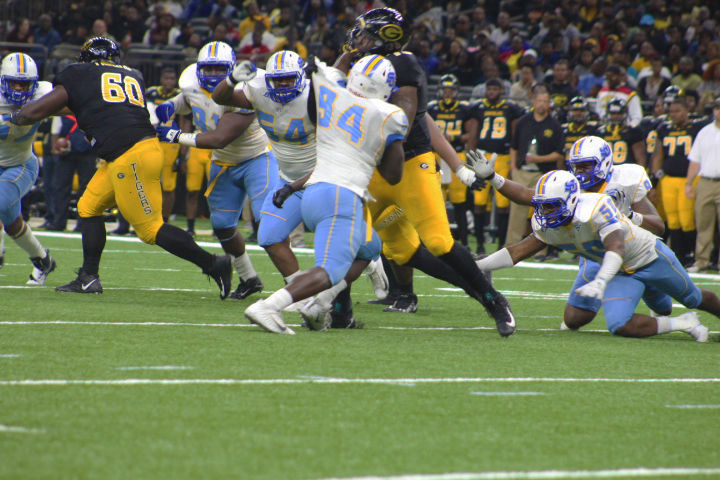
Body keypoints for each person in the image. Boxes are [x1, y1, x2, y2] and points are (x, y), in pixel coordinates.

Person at [336, 8, 515, 335]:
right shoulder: (359, 65)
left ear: (386, 39)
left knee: (437, 241)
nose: (357, 39)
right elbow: (426, 119)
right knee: (367, 242)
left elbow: (407, 118)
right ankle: (340, 311)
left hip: (408, 164)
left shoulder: (403, 64)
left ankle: (492, 299)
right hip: (369, 167)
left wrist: (456, 166)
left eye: (365, 34)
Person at [11, 37, 231, 297]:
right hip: (128, 152)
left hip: (130, 155)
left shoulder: (79, 73)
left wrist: (16, 116)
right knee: (88, 207)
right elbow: (93, 104)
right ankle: (88, 278)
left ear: (85, 59)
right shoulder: (133, 75)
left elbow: (35, 112)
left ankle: (214, 265)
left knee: (150, 229)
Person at [243, 56, 406, 334]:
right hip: (342, 194)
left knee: (367, 249)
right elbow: (393, 174)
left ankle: (319, 305)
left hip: (313, 191)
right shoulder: (388, 115)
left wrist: (292, 187)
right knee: (330, 270)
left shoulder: (331, 96)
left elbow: (327, 83)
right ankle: (271, 306)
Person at [475, 168, 715, 342]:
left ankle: (676, 307)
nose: (545, 212)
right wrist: (477, 266)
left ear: (570, 200)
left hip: (650, 258)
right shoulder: (550, 222)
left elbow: (617, 248)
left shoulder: (595, 207)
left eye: (551, 206)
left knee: (691, 298)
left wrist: (601, 280)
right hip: (620, 271)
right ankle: (685, 323)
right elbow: (517, 251)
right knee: (620, 325)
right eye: (542, 205)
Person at [472, 136, 666, 333]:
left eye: (586, 166)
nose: (580, 172)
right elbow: (525, 195)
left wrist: (627, 217)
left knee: (663, 307)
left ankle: (660, 302)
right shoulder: (568, 186)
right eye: (577, 166)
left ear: (605, 162)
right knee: (573, 319)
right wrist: (493, 178)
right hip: (594, 253)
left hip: (632, 250)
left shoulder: (624, 181)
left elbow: (658, 226)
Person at [155, 41, 276, 300]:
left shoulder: (243, 91)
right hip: (222, 163)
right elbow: (189, 100)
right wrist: (173, 105)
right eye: (207, 69)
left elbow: (220, 138)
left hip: (256, 158)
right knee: (222, 226)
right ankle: (249, 278)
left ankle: (298, 285)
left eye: (219, 69)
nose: (211, 75)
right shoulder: (190, 81)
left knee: (269, 223)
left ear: (232, 69)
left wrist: (175, 135)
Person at [0, 53, 56, 285]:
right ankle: (43, 260)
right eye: (15, 82)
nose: (20, 88)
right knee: (12, 223)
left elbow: (71, 106)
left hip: (20, 165)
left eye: (25, 83)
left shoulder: (43, 94)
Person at [466, 78, 525, 251]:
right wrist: (471, 155)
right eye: (489, 89)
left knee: (502, 203)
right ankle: (479, 245)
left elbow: (515, 132)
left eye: (494, 89)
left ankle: (500, 244)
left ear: (501, 91)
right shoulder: (479, 108)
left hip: (503, 157)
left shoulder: (510, 108)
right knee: (479, 201)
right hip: (483, 156)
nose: (491, 92)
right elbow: (473, 134)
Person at [506, 84, 564, 249]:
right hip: (522, 172)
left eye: (545, 101)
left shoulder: (554, 125)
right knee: (516, 210)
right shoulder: (523, 121)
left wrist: (538, 159)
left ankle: (540, 248)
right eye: (539, 100)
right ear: (533, 101)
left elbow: (558, 154)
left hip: (542, 174)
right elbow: (514, 146)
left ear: (549, 104)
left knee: (542, 211)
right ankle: (511, 245)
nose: (541, 104)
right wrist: (513, 168)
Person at [651, 97, 705, 267]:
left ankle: (690, 254)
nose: (673, 115)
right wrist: (655, 177)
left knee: (687, 218)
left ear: (686, 111)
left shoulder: (697, 127)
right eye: (671, 112)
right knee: (672, 219)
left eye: (677, 111)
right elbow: (658, 153)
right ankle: (679, 256)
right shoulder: (665, 128)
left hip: (688, 178)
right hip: (668, 178)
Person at [427, 74, 473, 247]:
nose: (447, 93)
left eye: (451, 90)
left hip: (456, 155)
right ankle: (437, 239)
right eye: (445, 89)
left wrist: (451, 138)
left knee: (459, 201)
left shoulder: (463, 108)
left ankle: (465, 242)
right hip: (436, 156)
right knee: (435, 201)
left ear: (456, 91)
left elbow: (469, 134)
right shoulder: (432, 108)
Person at [685, 98, 720, 273]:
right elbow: (695, 160)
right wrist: (689, 183)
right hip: (706, 181)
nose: (718, 112)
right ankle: (701, 261)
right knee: (703, 223)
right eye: (716, 108)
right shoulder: (704, 132)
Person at [145, 67, 181, 223]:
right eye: (166, 79)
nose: (169, 82)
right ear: (161, 79)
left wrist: (183, 151)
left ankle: (164, 219)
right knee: (148, 180)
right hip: (153, 140)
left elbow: (185, 120)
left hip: (171, 142)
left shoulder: (179, 95)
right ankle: (149, 216)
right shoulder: (152, 93)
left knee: (168, 185)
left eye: (172, 79)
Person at [48, 114, 96, 231]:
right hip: (67, 152)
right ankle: (59, 221)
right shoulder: (64, 109)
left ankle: (83, 223)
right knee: (61, 187)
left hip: (86, 151)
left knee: (86, 189)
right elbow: (56, 129)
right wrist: (55, 146)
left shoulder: (89, 108)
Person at [596, 98, 647, 167]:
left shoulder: (633, 131)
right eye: (613, 113)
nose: (615, 116)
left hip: (626, 172)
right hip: (606, 172)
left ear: (625, 114)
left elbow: (640, 158)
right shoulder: (600, 132)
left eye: (619, 113)